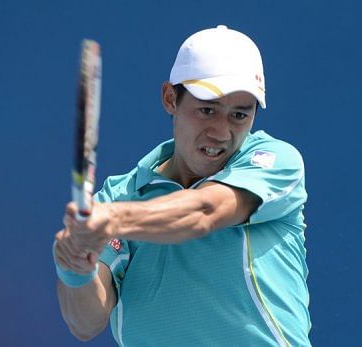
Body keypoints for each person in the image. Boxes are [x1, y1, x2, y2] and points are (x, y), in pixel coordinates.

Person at [53, 25, 311, 346]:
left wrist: (113, 220)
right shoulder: (120, 195)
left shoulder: (275, 162)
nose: (221, 132)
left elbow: (205, 211)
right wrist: (75, 266)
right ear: (170, 98)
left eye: (239, 116)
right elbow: (85, 323)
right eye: (207, 110)